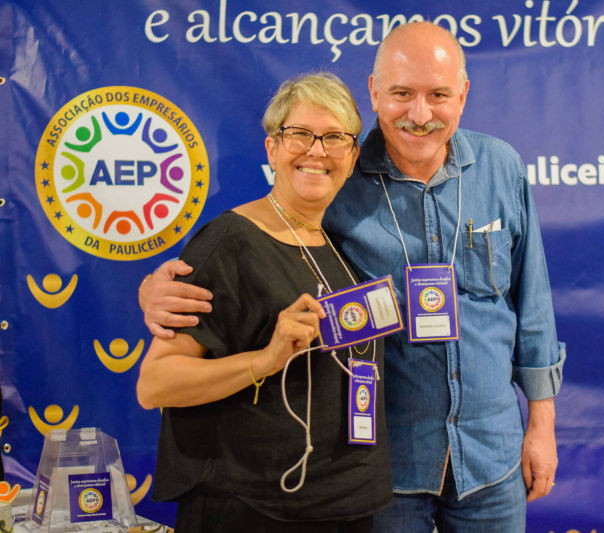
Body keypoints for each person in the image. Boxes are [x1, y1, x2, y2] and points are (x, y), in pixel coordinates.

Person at [140, 22, 565, 532]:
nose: (420, 114)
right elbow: (259, 244)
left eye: (438, 94)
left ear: (463, 95)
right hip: (388, 466)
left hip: (491, 458)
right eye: (402, 93)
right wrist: (154, 288)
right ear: (374, 93)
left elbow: (532, 306)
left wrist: (542, 425)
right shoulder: (338, 176)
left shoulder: (501, 167)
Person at [136, 72, 392, 533]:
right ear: (272, 149)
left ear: (353, 157)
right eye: (299, 134)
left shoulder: (337, 245)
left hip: (343, 502)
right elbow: (155, 383)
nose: (317, 151)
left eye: (334, 138)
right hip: (254, 507)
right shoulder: (229, 242)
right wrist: (266, 359)